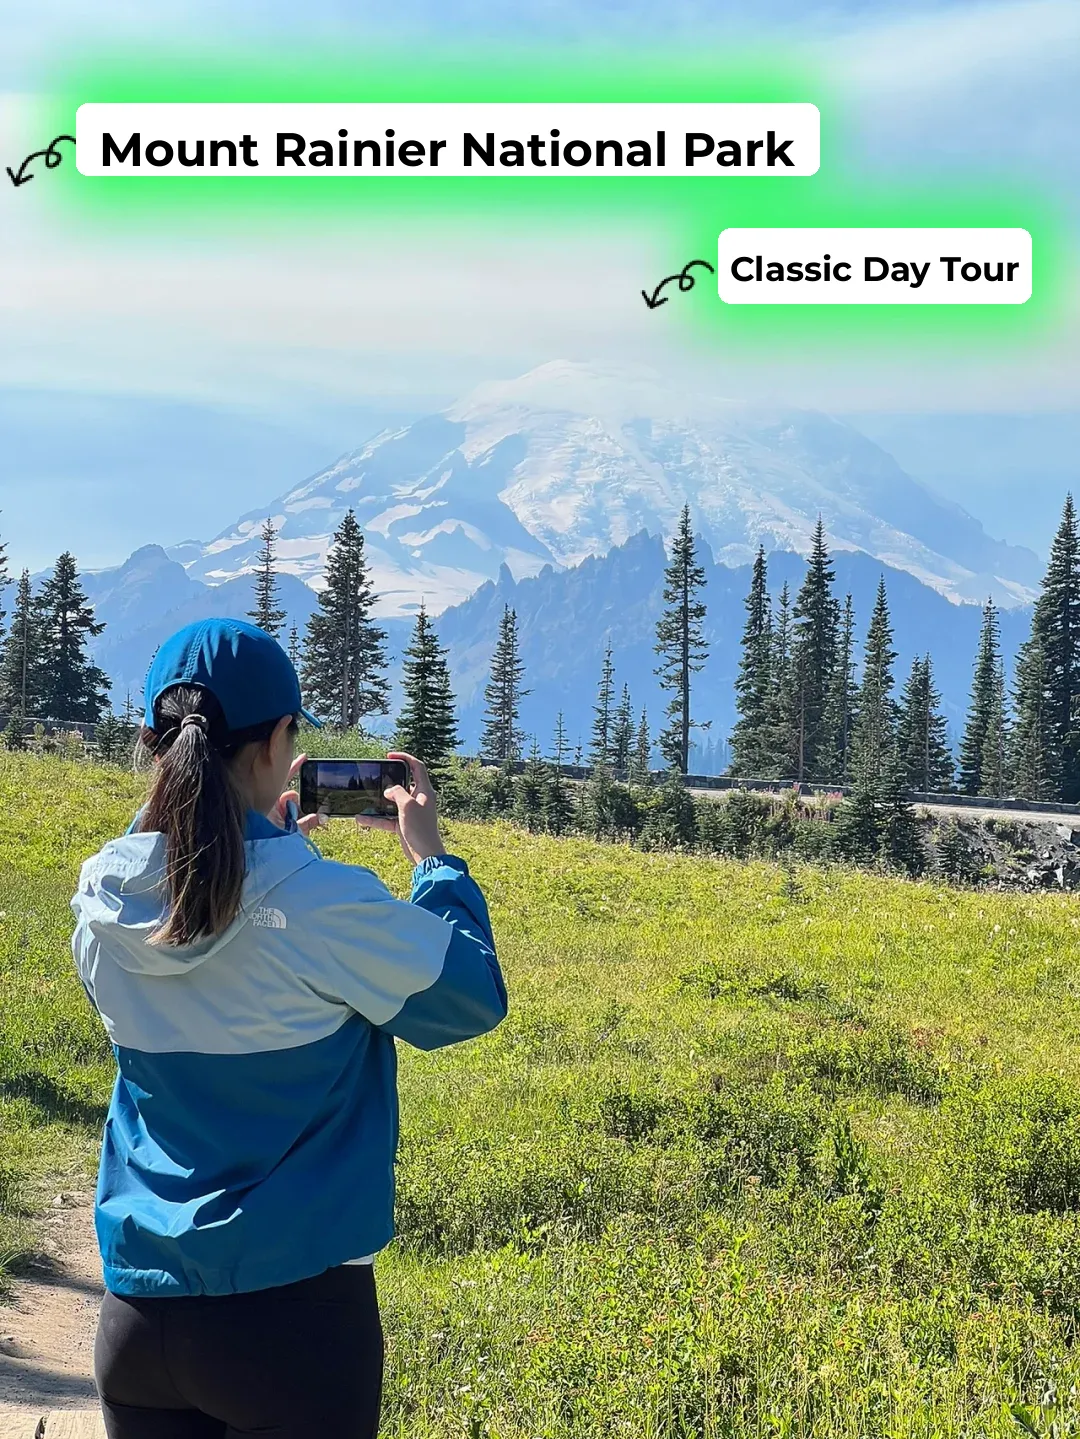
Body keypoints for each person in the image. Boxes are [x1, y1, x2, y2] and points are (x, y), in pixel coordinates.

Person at [70, 617, 507, 1439]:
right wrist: (432, 859)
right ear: (279, 742)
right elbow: (472, 994)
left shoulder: (101, 906)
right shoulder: (319, 906)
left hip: (137, 1317)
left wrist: (246, 837)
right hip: (296, 1325)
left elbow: (175, 889)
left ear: (151, 745)